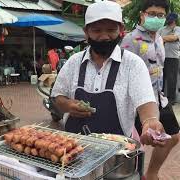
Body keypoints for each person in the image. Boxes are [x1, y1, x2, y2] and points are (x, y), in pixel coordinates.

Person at [52, 0, 166, 156]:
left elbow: (146, 103)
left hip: (116, 155)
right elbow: (57, 97)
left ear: (121, 30)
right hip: (73, 152)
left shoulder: (133, 64)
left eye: (111, 30)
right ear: (86, 32)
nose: (104, 36)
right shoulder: (74, 62)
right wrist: (68, 105)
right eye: (97, 30)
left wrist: (150, 121)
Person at [121, 0, 180, 179]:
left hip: (158, 98)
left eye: (160, 15)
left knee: (173, 136)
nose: (156, 18)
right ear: (142, 15)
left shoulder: (160, 38)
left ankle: (151, 174)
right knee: (134, 144)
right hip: (137, 103)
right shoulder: (130, 40)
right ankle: (132, 175)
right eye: (152, 13)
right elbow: (122, 72)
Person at [159, 12, 180, 105]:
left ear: (174, 21)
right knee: (161, 77)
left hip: (173, 57)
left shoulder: (178, 29)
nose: (169, 22)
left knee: (172, 78)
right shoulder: (162, 29)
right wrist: (166, 38)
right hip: (161, 57)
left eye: (171, 20)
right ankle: (161, 96)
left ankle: (172, 99)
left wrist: (163, 39)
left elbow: (174, 37)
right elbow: (157, 38)